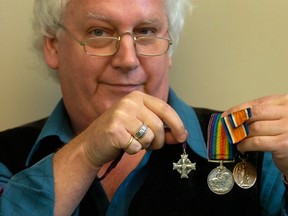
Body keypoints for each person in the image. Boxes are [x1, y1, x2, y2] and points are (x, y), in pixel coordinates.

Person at [0, 0, 287, 215]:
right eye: (99, 32)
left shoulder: (254, 151)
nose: (128, 59)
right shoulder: (5, 157)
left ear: (170, 48)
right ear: (53, 47)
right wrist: (86, 153)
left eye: (146, 31)